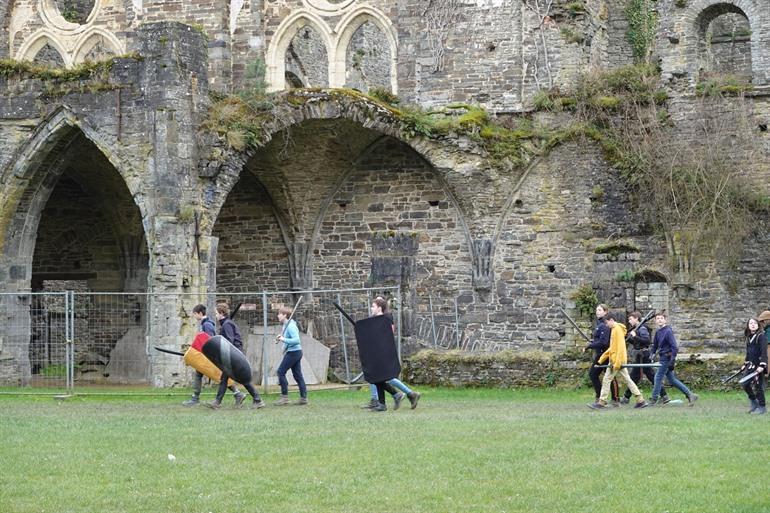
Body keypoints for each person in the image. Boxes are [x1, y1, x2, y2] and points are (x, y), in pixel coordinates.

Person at [362, 297, 421, 412]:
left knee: (380, 377)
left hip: (382, 352)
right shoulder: (374, 319)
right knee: (378, 377)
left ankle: (395, 396)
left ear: (379, 307)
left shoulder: (386, 318)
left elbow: (388, 335)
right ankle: (385, 401)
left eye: (373, 306)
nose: (371, 308)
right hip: (375, 352)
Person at [183, 304, 246, 407]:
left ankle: (196, 399)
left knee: (218, 375)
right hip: (205, 355)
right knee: (214, 375)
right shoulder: (204, 324)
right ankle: (237, 394)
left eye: (195, 314)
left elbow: (210, 340)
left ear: (200, 313)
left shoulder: (207, 325)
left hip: (208, 356)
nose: (194, 316)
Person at [588, 313, 648, 409]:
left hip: (616, 360)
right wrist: (601, 360)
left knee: (607, 379)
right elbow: (612, 348)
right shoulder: (615, 329)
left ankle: (601, 402)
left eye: (607, 323)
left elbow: (619, 348)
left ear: (612, 320)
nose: (606, 325)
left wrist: (616, 363)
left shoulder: (617, 330)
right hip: (617, 359)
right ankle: (640, 400)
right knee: (627, 380)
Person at [649, 312, 698, 406]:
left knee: (657, 378)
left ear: (665, 320)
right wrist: (651, 354)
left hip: (667, 358)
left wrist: (672, 360)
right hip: (663, 357)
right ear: (655, 321)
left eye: (661, 318)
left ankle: (653, 399)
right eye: (658, 318)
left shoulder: (668, 331)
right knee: (672, 380)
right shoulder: (658, 332)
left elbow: (674, 347)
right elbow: (655, 346)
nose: (659, 320)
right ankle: (690, 394)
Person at [621, 311, 668, 405]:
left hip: (643, 354)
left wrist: (635, 336)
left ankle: (626, 397)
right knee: (640, 376)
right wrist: (629, 338)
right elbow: (637, 343)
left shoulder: (642, 328)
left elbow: (646, 341)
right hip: (640, 354)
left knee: (638, 376)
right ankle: (664, 395)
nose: (629, 321)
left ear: (636, 319)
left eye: (630, 319)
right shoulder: (636, 328)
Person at [583, 304, 619, 405]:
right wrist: (593, 342)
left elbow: (604, 342)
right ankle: (599, 397)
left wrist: (590, 346)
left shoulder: (605, 325)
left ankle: (615, 399)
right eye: (596, 310)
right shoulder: (599, 324)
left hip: (606, 354)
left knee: (610, 377)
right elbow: (599, 340)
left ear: (605, 312)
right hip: (600, 354)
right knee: (593, 374)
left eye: (599, 310)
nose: (597, 312)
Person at [275, 305, 308, 406]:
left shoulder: (291, 326)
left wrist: (283, 339)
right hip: (293, 352)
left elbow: (296, 340)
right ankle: (303, 399)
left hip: (294, 353)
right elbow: (287, 339)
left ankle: (284, 398)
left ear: (285, 315)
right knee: (298, 375)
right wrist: (282, 341)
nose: (278, 316)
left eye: (279, 314)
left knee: (280, 372)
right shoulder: (285, 325)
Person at [740, 318, 767, 414]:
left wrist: (762, 365)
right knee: (744, 383)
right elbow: (748, 352)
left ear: (758, 325)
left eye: (755, 323)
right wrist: (745, 363)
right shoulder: (748, 337)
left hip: (758, 366)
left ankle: (762, 407)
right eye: (751, 323)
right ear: (748, 325)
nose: (753, 325)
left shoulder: (761, 336)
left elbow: (764, 352)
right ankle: (754, 402)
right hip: (750, 365)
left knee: (758, 386)